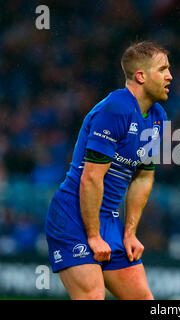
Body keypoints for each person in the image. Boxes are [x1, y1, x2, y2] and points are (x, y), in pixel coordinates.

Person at [45, 41, 173, 300]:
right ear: (141, 76)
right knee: (92, 296)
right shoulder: (115, 109)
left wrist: (130, 232)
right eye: (163, 69)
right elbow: (91, 178)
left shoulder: (159, 116)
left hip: (109, 220)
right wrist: (92, 236)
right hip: (74, 215)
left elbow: (143, 178)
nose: (170, 76)